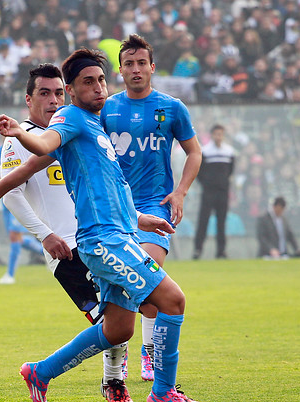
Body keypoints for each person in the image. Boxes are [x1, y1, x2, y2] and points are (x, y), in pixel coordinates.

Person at [0, 48, 201, 402]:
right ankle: (163, 392)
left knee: (119, 330)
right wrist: (19, 134)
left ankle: (40, 372)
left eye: (102, 80)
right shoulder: (70, 117)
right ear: (71, 91)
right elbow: (42, 144)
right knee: (173, 300)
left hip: (119, 233)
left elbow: (94, 185)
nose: (99, 88)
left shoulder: (93, 125)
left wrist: (140, 219)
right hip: (104, 241)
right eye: (88, 82)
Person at [100, 34, 202, 383]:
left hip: (155, 207)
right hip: (115, 210)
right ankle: (119, 353)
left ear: (152, 67)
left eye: (141, 62)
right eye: (129, 63)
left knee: (146, 274)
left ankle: (149, 353)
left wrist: (180, 192)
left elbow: (194, 152)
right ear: (120, 71)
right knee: (123, 287)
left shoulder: (172, 107)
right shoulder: (107, 109)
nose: (136, 69)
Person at [0, 130, 44, 285]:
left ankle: (10, 275)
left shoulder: (21, 148)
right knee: (17, 238)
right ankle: (48, 251)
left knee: (14, 236)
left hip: (18, 195)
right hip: (4, 198)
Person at [193, 124, 236, 259]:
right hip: (208, 192)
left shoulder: (229, 151)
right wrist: (207, 184)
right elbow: (199, 171)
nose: (219, 137)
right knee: (203, 220)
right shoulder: (205, 151)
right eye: (216, 134)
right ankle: (198, 249)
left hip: (223, 191)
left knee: (221, 221)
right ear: (212, 135)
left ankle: (221, 251)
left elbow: (230, 170)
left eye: (221, 134)